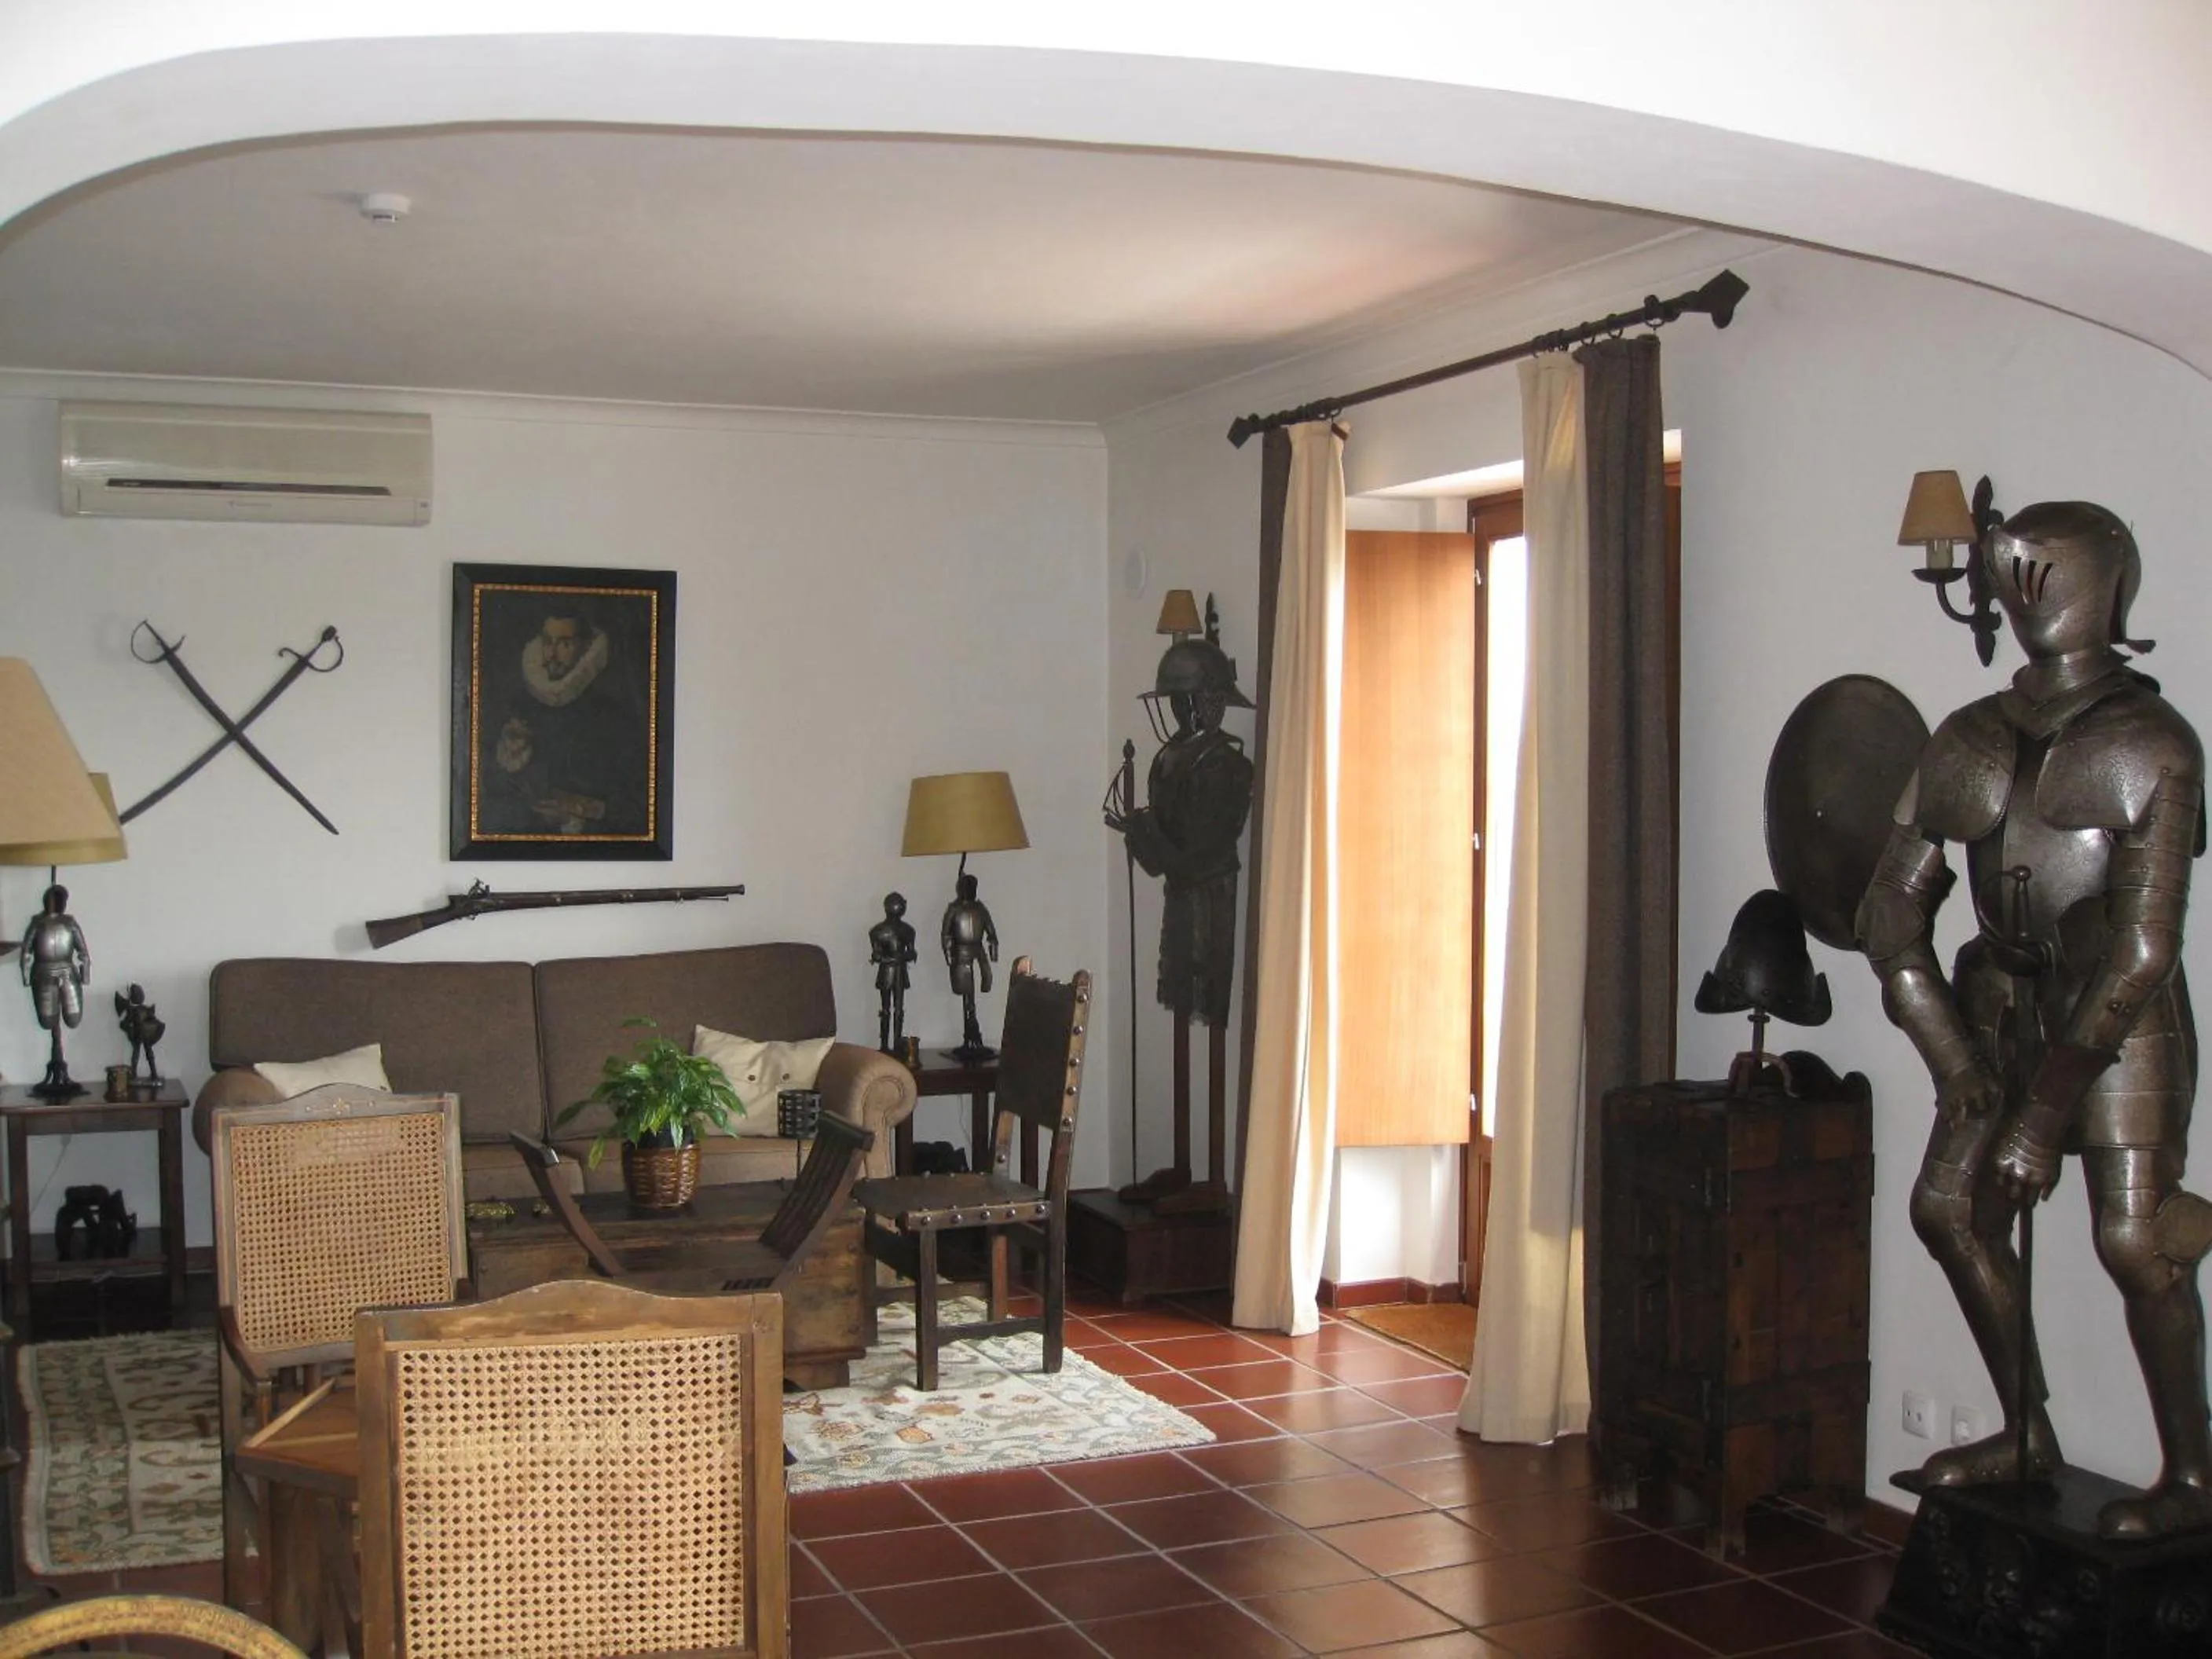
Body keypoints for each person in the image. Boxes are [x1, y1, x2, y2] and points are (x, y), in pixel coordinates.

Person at [1856, 500, 2212, 1539]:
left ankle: (2192, 1478)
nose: (2023, 595)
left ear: (2100, 587)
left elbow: (2141, 949)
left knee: (2133, 1241)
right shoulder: (1970, 735)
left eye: (2042, 573)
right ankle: (2026, 1429)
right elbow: (1893, 909)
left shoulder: (2152, 743)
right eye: (2011, 574)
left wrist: (2041, 1115)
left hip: (2117, 1026)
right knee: (1950, 1210)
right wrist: (1954, 1060)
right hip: (1998, 1003)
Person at [483, 606, 646, 836]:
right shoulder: (518, 709)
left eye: (565, 644)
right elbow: (490, 796)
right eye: (548, 642)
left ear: (586, 648)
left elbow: (638, 811)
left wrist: (576, 812)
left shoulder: (613, 718)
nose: (552, 654)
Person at [941, 872, 999, 1059]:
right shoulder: (954, 909)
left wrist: (993, 949)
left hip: (978, 950)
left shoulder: (980, 908)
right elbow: (947, 934)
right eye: (967, 887)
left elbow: (991, 930)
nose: (970, 891)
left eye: (972, 887)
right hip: (962, 952)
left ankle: (973, 1033)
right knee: (966, 992)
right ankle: (970, 1031)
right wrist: (950, 955)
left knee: (985, 982)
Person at [869, 892, 917, 1054]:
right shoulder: (878, 931)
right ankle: (884, 1045)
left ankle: (897, 1043)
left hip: (897, 971)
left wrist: (897, 958)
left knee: (898, 1009)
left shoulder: (908, 931)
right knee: (887, 1009)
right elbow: (876, 956)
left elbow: (912, 953)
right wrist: (896, 958)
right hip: (890, 971)